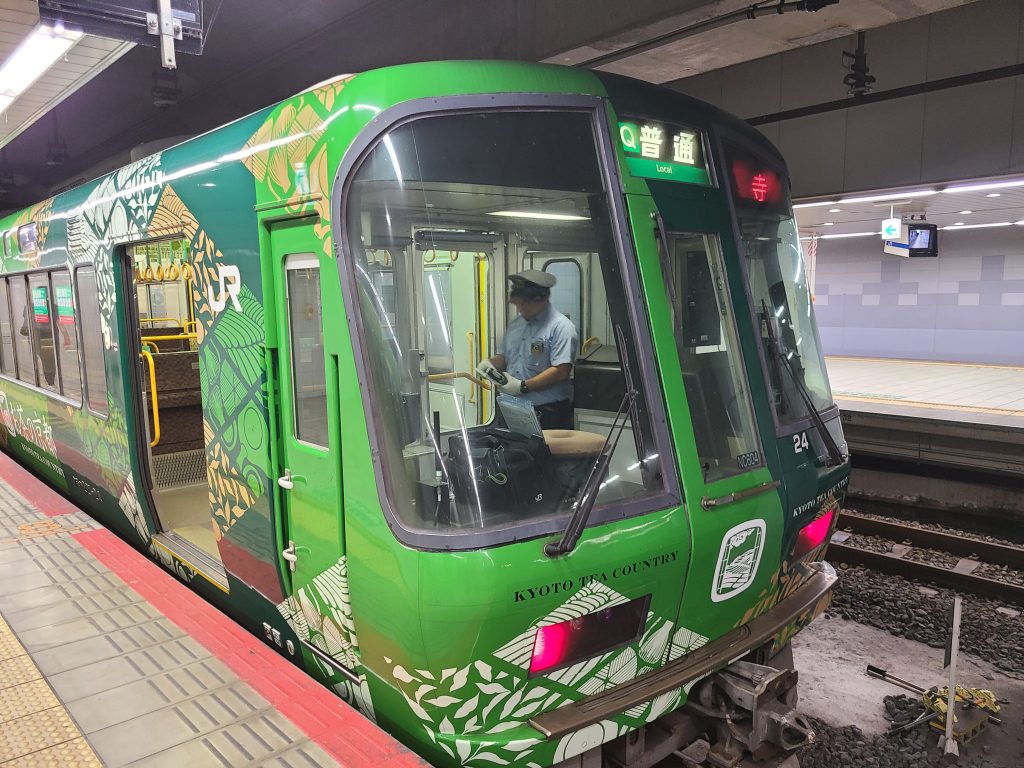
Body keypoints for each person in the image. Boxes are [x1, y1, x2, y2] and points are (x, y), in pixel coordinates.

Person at [476, 269, 578, 430]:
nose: (520, 308)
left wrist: (523, 386)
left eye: (524, 303)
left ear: (542, 299)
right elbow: (504, 357)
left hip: (547, 412)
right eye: (518, 304)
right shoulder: (516, 324)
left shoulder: (561, 327)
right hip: (513, 407)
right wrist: (489, 365)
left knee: (543, 454)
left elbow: (560, 371)